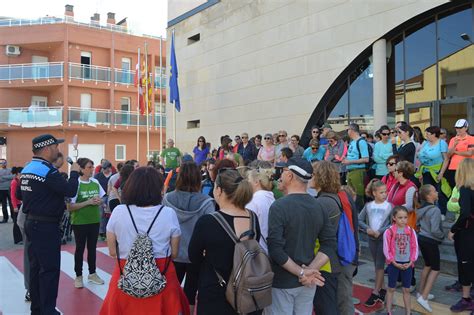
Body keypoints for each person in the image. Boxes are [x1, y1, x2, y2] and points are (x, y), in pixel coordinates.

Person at [100, 167, 189, 315]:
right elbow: (174, 253)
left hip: (126, 274)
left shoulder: (119, 211)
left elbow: (112, 251)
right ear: (158, 189)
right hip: (162, 274)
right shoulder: (168, 213)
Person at [267, 157, 337, 315]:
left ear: (290, 175)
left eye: (283, 171)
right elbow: (330, 244)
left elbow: (275, 249)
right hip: (307, 281)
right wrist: (309, 271)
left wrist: (302, 272)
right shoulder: (318, 205)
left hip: (285, 281)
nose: (280, 175)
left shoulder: (278, 206)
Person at [188, 167, 262, 315]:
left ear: (219, 190)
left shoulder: (208, 222)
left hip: (215, 293)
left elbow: (193, 256)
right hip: (247, 294)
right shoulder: (253, 218)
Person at [21, 134, 80, 314]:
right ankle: (48, 311)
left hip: (31, 222)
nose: (58, 150)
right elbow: (70, 189)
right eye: (56, 146)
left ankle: (37, 309)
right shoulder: (48, 170)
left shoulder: (27, 168)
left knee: (36, 268)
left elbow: (19, 196)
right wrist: (75, 172)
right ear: (47, 149)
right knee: (49, 270)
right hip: (46, 226)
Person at [163, 162, 216, 314]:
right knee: (191, 293)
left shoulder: (167, 199)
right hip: (197, 254)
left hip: (173, 252)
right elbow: (209, 230)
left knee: (170, 292)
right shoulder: (207, 202)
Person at [311, 161, 358, 315]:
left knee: (336, 303)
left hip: (333, 261)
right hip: (345, 256)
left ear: (320, 177)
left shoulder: (323, 201)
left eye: (313, 174)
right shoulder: (341, 196)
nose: (310, 177)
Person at [68, 157, 106, 288]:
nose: (92, 169)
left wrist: (99, 201)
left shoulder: (95, 182)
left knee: (92, 248)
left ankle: (92, 273)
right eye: (89, 167)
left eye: (92, 166)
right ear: (81, 169)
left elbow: (102, 199)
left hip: (94, 220)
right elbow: (70, 207)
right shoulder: (75, 184)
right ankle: (78, 276)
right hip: (79, 222)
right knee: (79, 249)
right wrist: (88, 202)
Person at [358, 179, 392, 307]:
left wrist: (380, 231)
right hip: (372, 238)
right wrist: (367, 229)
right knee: (377, 265)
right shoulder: (368, 206)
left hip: (383, 238)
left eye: (386, 192)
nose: (385, 194)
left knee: (379, 265)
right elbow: (359, 219)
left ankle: (375, 292)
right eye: (382, 192)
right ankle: (382, 288)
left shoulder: (389, 206)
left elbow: (391, 223)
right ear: (374, 193)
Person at [447, 158, 474, 313]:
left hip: (466, 234)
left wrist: (453, 229)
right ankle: (465, 299)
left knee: (465, 266)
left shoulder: (464, 189)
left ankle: (466, 299)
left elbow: (464, 213)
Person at [387, 161, 418, 291]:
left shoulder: (410, 187)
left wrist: (395, 209)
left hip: (407, 225)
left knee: (407, 252)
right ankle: (400, 278)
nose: (393, 171)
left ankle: (411, 281)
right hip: (396, 225)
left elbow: (410, 206)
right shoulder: (396, 185)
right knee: (397, 251)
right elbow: (389, 199)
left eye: (396, 169)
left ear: (401, 173)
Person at [383, 206, 419, 315]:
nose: (403, 220)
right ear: (394, 218)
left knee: (406, 290)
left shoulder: (411, 231)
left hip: (407, 264)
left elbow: (415, 247)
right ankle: (389, 311)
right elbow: (386, 249)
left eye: (405, 217)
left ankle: (408, 312)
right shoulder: (389, 231)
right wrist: (393, 262)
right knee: (391, 289)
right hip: (394, 264)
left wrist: (411, 262)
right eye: (400, 218)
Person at [416, 184, 445, 313]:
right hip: (430, 241)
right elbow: (434, 230)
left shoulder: (421, 208)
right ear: (429, 196)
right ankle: (424, 297)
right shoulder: (435, 210)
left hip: (422, 238)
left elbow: (418, 224)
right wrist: (442, 235)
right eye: (434, 191)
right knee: (436, 269)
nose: (437, 192)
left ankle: (420, 292)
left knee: (427, 265)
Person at [416, 126, 450, 215]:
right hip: (426, 171)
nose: (426, 135)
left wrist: (441, 173)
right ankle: (429, 212)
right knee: (427, 193)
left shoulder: (441, 143)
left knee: (439, 193)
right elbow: (421, 157)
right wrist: (420, 172)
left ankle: (442, 213)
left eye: (428, 134)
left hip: (437, 171)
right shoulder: (426, 143)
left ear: (434, 134)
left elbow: (446, 159)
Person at [246, 168, 275, 253]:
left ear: (256, 182)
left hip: (259, 252)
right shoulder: (271, 198)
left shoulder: (253, 202)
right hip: (271, 251)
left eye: (248, 180)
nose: (247, 183)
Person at [343, 123, 370, 210]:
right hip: (350, 171)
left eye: (348, 130)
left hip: (358, 171)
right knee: (350, 195)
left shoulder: (361, 142)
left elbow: (366, 159)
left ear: (351, 130)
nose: (347, 132)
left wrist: (349, 161)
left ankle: (360, 216)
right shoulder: (353, 142)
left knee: (358, 196)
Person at [445, 119, 474, 189]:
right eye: (456, 128)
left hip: (466, 168)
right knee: (454, 188)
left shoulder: (471, 138)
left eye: (460, 128)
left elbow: (469, 153)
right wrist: (454, 146)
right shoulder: (453, 139)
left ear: (466, 128)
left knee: (466, 188)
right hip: (453, 168)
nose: (458, 130)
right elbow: (448, 155)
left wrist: (455, 152)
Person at [95, 160, 114, 241]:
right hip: (102, 197)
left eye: (106, 168)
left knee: (109, 215)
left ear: (109, 168)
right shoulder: (98, 176)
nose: (104, 170)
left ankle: (109, 232)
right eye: (103, 168)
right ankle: (101, 232)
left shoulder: (113, 176)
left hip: (110, 197)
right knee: (101, 214)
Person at [10, 166, 23, 244]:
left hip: (20, 204)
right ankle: (17, 240)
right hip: (16, 205)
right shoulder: (14, 182)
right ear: (18, 173)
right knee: (16, 222)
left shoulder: (19, 181)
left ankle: (20, 238)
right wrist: (14, 206)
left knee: (20, 222)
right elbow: (12, 195)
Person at [0, 158, 14, 223]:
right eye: (2, 163)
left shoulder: (10, 169)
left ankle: (14, 218)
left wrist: (3, 177)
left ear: (6, 163)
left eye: (4, 163)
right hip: (1, 189)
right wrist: (8, 177)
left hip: (9, 189)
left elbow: (13, 176)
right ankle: (5, 219)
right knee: (4, 204)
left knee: (12, 204)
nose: (3, 164)